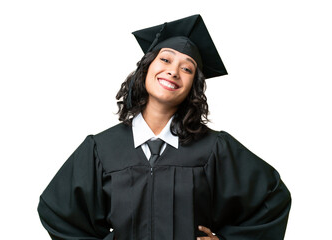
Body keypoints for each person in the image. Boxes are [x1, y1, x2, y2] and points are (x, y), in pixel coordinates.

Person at [38, 14, 291, 240]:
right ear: (147, 67)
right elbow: (58, 211)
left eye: (187, 68)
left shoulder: (214, 148)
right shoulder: (102, 149)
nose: (173, 72)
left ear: (194, 86)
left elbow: (272, 199)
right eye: (166, 59)